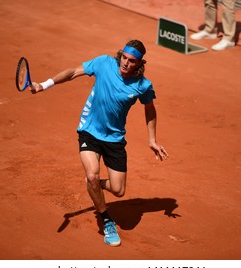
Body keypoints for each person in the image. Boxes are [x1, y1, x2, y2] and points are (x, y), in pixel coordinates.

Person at [29, 39, 169, 247]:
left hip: (114, 139)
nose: (126, 63)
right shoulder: (104, 63)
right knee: (93, 173)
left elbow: (150, 109)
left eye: (132, 61)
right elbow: (74, 72)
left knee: (118, 190)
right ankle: (106, 219)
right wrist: (44, 85)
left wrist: (152, 140)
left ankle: (92, 184)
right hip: (89, 131)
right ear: (120, 55)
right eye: (124, 58)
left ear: (139, 64)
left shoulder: (143, 86)